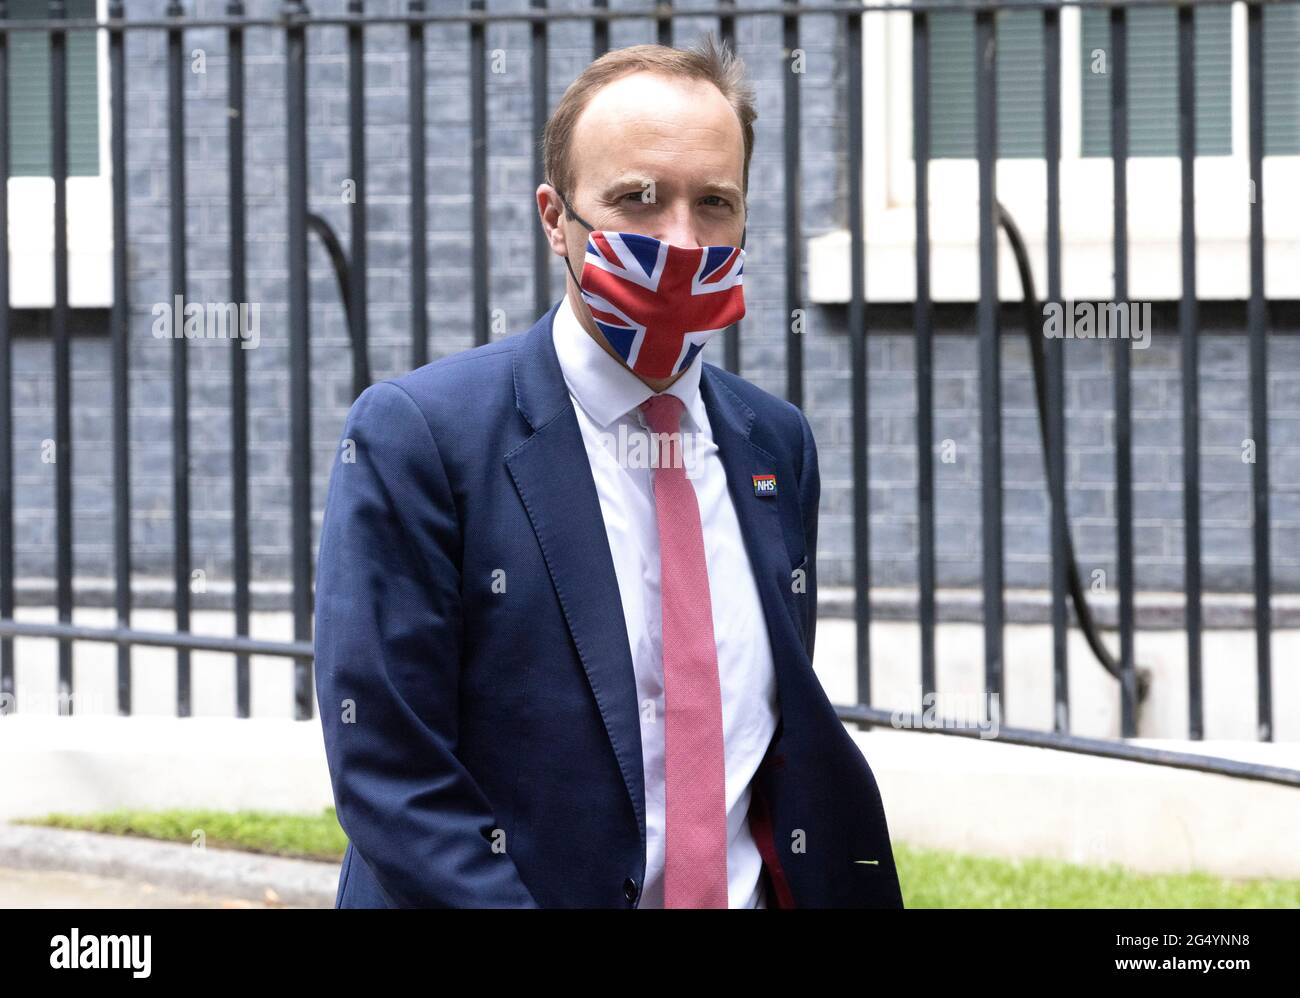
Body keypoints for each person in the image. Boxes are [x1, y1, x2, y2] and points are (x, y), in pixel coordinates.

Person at [313, 34, 903, 909]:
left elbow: (760, 754)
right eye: (638, 199)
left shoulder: (776, 446)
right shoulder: (420, 439)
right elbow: (392, 776)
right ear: (555, 217)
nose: (680, 239)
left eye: (714, 203)